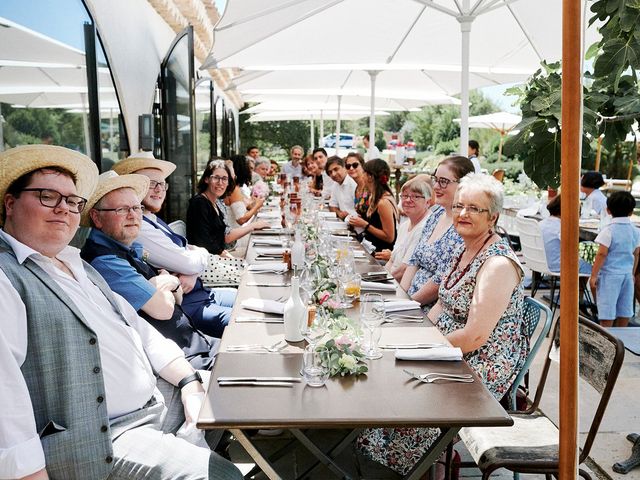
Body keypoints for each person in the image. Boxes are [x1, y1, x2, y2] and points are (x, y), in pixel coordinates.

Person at [0, 145, 241, 480]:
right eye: (46, 196)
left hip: (158, 398)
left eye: (72, 201)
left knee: (233, 396)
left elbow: (139, 330)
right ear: (10, 204)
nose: (63, 209)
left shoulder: (78, 264)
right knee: (223, 476)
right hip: (106, 436)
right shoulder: (6, 277)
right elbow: (4, 397)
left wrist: (188, 382)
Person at [358, 174, 527, 475]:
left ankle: (420, 464)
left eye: (475, 209)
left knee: (403, 394)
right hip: (450, 347)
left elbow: (475, 336)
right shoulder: (464, 248)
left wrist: (420, 347)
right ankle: (428, 463)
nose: (462, 214)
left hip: (479, 363)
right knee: (381, 369)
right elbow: (441, 305)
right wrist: (409, 333)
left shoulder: (497, 264)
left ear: (494, 217)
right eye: (459, 205)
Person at [111, 154, 238, 338]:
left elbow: (189, 259)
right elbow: (189, 260)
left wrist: (192, 269)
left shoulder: (152, 218)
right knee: (247, 319)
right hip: (188, 307)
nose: (159, 190)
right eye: (150, 183)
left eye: (162, 184)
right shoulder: (138, 227)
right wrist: (194, 259)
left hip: (203, 291)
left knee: (250, 298)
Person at [401, 156, 475, 308]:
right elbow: (414, 261)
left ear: (463, 185)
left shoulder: (463, 226)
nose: (435, 186)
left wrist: (408, 305)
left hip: (430, 310)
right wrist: (400, 297)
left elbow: (441, 281)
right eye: (435, 179)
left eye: (444, 181)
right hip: (410, 303)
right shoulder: (435, 214)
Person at [187, 159, 269, 255]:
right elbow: (204, 243)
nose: (220, 183)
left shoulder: (216, 202)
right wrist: (224, 255)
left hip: (218, 255)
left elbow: (224, 236)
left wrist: (254, 226)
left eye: (224, 179)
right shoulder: (199, 203)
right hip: (206, 262)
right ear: (206, 179)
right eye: (216, 178)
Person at [590, 191, 640, 327]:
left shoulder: (608, 230)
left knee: (607, 311)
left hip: (610, 276)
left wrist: (593, 275)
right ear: (631, 212)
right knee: (625, 310)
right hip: (627, 275)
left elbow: (601, 254)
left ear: (608, 210)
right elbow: (636, 253)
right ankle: (622, 340)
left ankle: (606, 340)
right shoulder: (635, 231)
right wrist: (632, 273)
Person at [379, 175, 434, 281]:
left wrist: (382, 281)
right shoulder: (405, 225)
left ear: (428, 202)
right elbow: (391, 261)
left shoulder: (425, 227)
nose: (408, 200)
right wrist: (379, 278)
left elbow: (404, 269)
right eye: (405, 196)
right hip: (392, 279)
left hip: (404, 286)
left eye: (416, 196)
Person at [348, 159, 398, 252]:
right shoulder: (374, 196)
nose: (362, 176)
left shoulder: (383, 202)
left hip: (380, 254)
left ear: (370, 177)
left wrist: (365, 224)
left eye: (364, 173)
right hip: (370, 248)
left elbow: (389, 237)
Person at [539, 194, 592, 274]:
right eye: (578, 212)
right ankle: (582, 285)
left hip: (541, 262)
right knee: (593, 256)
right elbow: (573, 249)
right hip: (559, 265)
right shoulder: (563, 228)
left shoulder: (541, 224)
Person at [326, 155, 357, 220]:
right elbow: (332, 205)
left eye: (336, 169)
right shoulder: (335, 184)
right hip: (344, 222)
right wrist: (339, 213)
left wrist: (347, 216)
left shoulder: (353, 184)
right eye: (330, 172)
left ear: (345, 168)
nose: (333, 174)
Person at [345, 151, 370, 218]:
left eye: (355, 165)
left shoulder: (369, 186)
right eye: (348, 166)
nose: (351, 168)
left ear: (363, 166)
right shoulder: (357, 188)